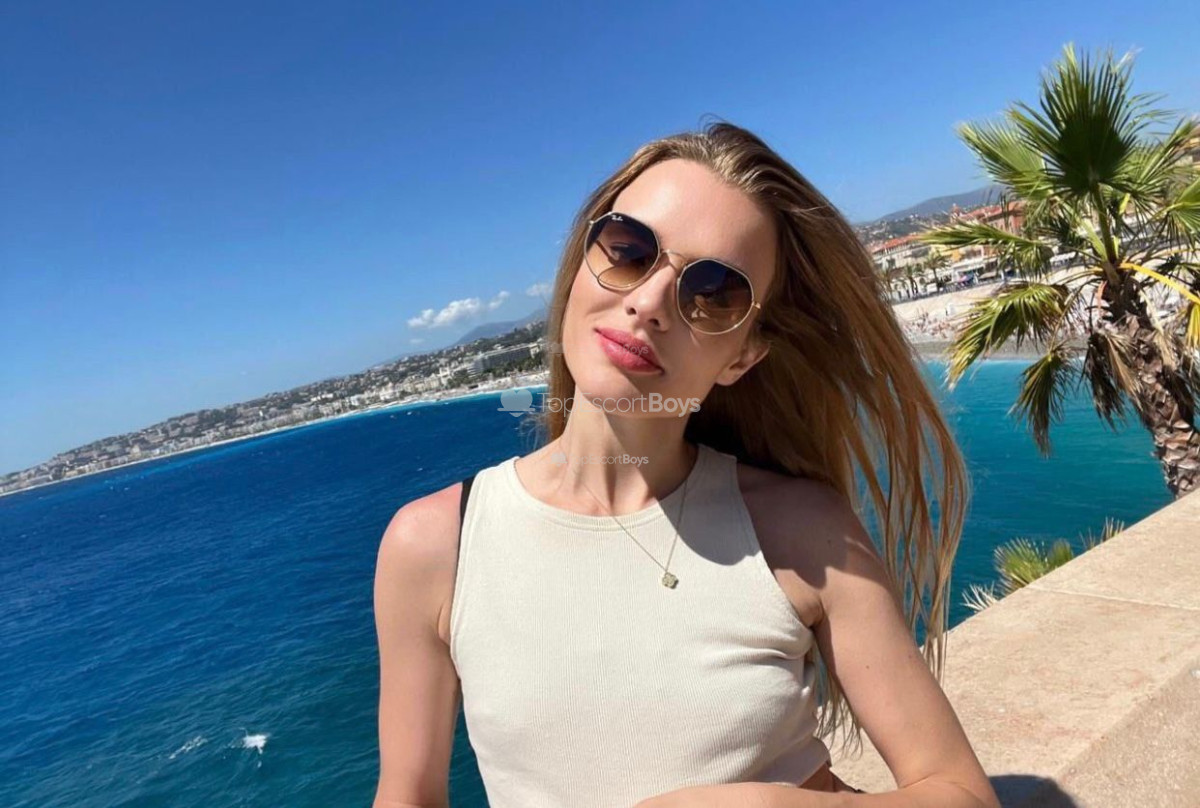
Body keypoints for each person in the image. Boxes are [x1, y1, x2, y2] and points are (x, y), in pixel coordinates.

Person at [372, 121, 1000, 808]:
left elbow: (962, 795)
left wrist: (760, 807)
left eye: (714, 293)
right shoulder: (435, 546)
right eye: (629, 250)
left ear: (743, 355)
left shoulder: (803, 532)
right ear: (581, 265)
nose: (648, 303)